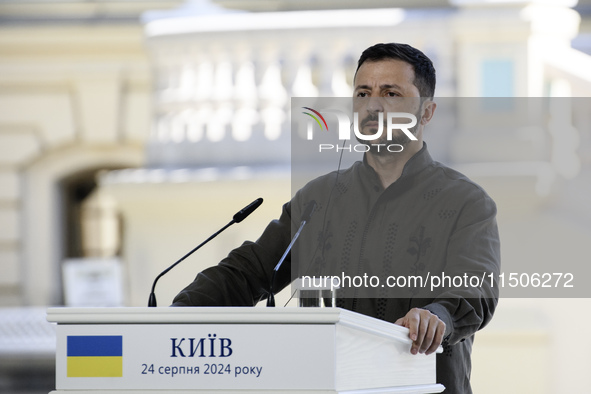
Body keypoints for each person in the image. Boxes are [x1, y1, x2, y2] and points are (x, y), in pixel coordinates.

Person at [172, 43, 501, 393]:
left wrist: (436, 317)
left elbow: (474, 291)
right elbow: (249, 271)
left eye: (391, 93)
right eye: (363, 92)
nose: (373, 105)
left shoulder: (466, 202)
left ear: (427, 112)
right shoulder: (318, 199)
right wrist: (172, 316)